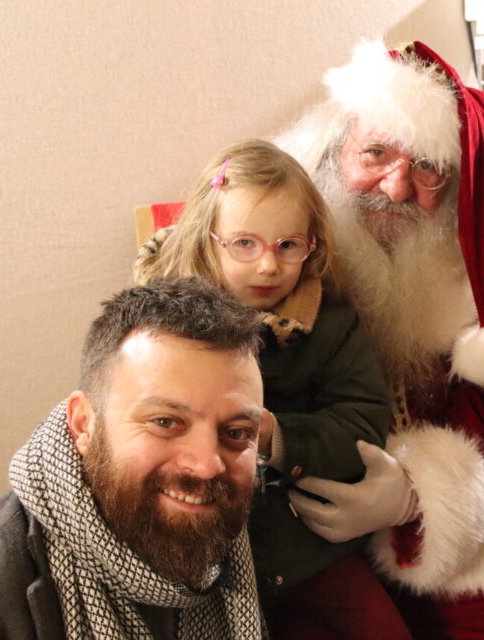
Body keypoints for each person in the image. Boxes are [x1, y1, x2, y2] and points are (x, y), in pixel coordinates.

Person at [276, 41, 484, 638]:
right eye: (377, 153)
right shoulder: (276, 234)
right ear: (339, 148)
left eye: (427, 168)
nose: (394, 188)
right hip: (302, 534)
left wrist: (415, 497)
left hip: (440, 536)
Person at [134, 139, 406, 639]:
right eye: (245, 243)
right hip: (203, 550)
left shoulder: (331, 320)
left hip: (308, 544)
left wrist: (276, 436)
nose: (267, 266)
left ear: (312, 243)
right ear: (208, 237)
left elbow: (365, 420)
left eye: (288, 246)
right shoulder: (162, 322)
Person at [0, 278, 266, 639]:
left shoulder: (251, 545)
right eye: (165, 422)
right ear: (84, 424)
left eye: (236, 432)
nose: (207, 464)